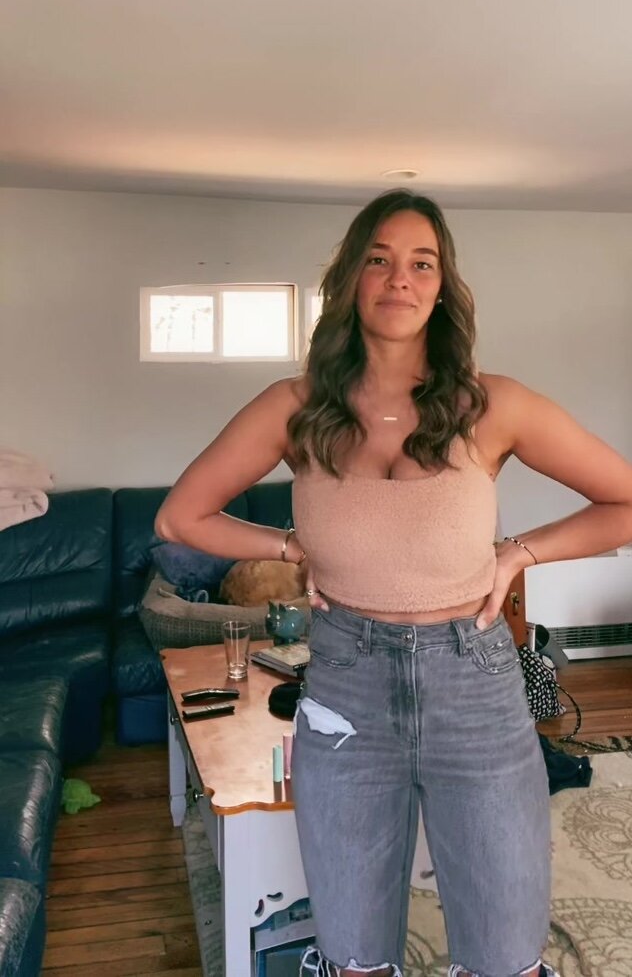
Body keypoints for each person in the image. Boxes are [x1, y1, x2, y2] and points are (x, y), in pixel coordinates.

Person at [155, 190, 632, 977]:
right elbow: (181, 516)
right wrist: (289, 544)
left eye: (421, 263)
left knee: (506, 954)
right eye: (378, 259)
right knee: (354, 955)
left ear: (442, 288)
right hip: (347, 685)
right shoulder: (297, 407)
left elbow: (623, 500)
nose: (399, 277)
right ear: (350, 279)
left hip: (475, 686)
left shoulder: (493, 404)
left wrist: (519, 552)